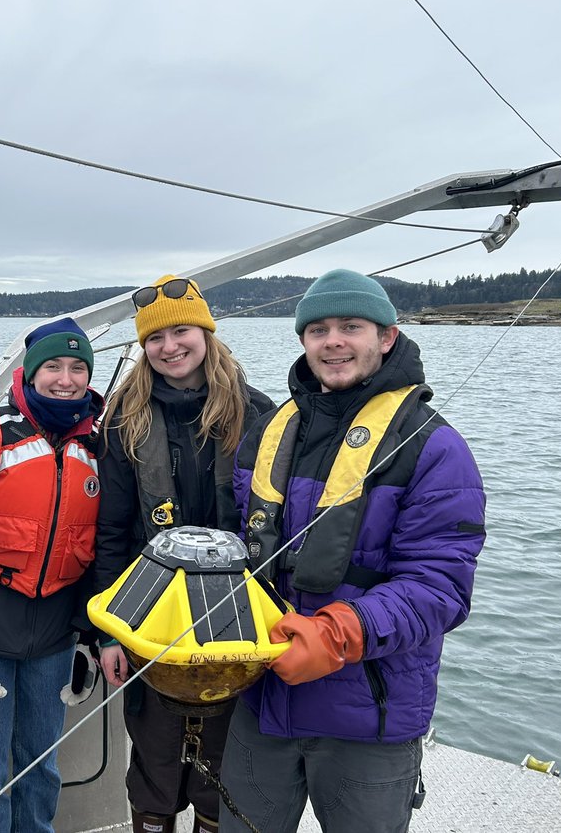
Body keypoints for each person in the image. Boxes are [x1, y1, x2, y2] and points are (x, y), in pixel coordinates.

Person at [220, 269, 486, 833]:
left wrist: (336, 633)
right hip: (261, 701)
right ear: (302, 341)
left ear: (386, 337)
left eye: (351, 326)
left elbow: (440, 588)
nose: (333, 340)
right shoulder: (265, 433)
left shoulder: (436, 448)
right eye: (318, 329)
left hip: (369, 714)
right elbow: (236, 551)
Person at [93, 275, 274, 833]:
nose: (170, 346)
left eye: (181, 331)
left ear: (207, 332)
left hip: (235, 614)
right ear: (142, 348)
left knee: (224, 764)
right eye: (155, 338)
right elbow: (112, 531)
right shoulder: (125, 418)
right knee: (153, 757)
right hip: (149, 613)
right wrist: (107, 634)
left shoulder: (258, 413)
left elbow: (276, 527)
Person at [0, 317, 104, 832]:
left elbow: (104, 547)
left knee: (41, 768)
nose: (66, 378)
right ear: (30, 373)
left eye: (78, 367)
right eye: (53, 365)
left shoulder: (100, 445)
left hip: (55, 638)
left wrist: (85, 638)